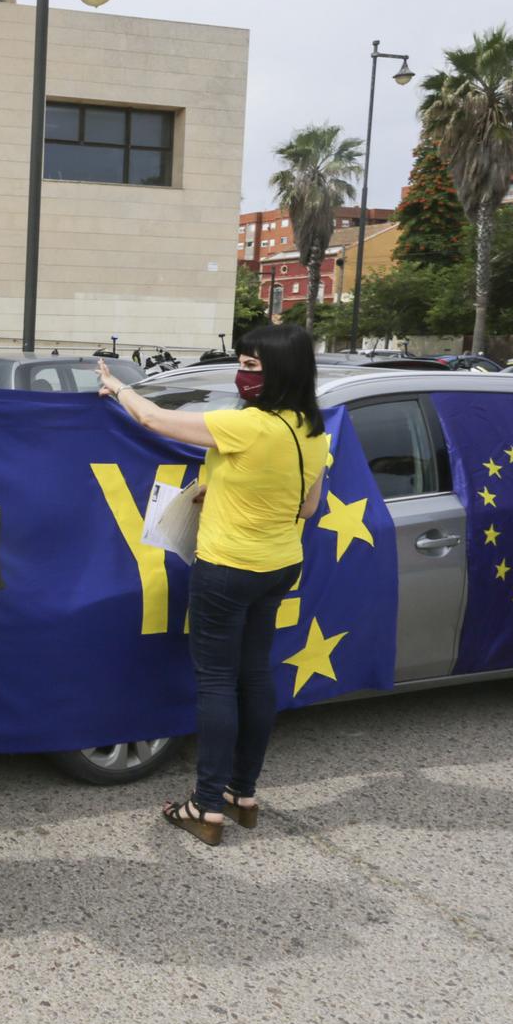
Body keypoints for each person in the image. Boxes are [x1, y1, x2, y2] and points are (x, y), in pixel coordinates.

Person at [96, 324, 326, 846]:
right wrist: (223, 491)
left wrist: (117, 387)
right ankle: (242, 795)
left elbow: (154, 418)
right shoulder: (314, 430)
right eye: (241, 364)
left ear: (280, 372)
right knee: (254, 675)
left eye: (252, 368)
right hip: (280, 564)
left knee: (217, 682)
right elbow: (308, 507)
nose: (242, 376)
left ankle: (204, 806)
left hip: (226, 568)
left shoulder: (248, 427)